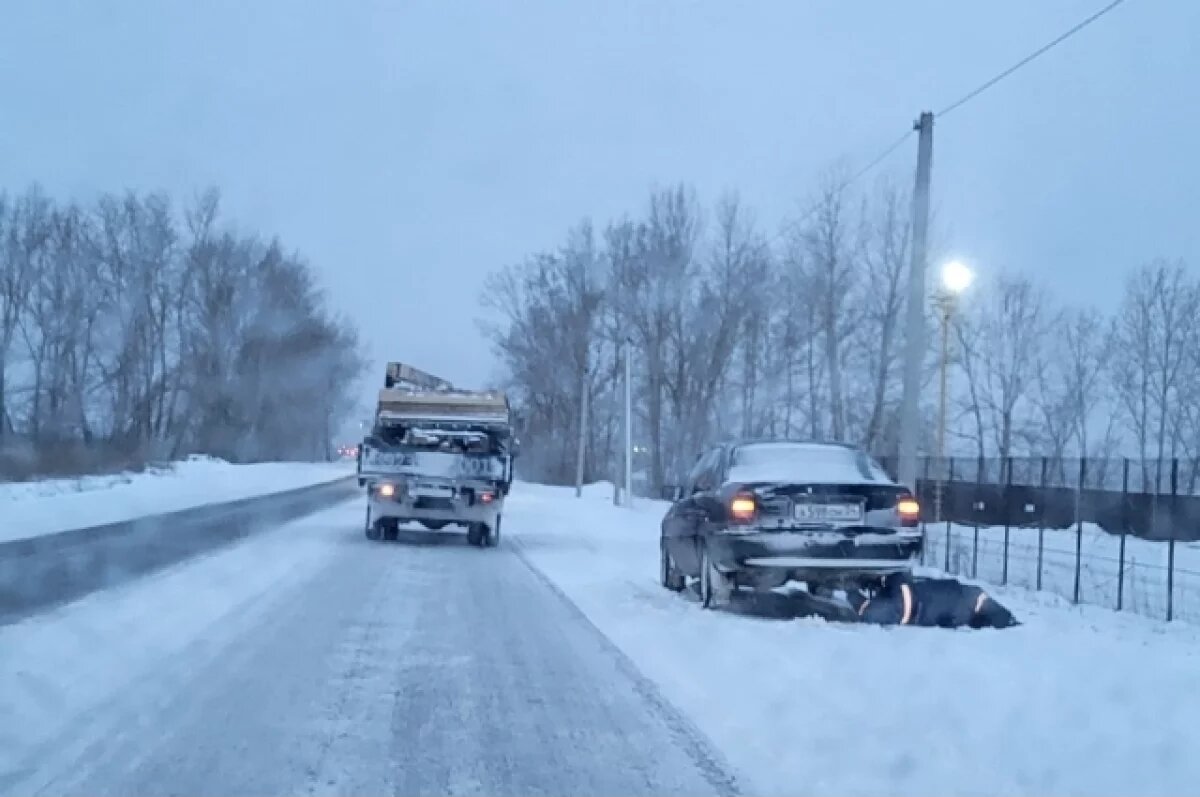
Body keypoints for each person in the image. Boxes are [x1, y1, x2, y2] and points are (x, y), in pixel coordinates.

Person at [846, 571, 1019, 629]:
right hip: (911, 603)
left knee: (873, 612)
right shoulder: (969, 605)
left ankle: (851, 590)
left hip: (909, 604)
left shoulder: (971, 599)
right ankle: (853, 590)